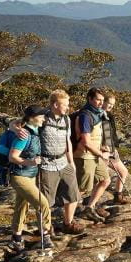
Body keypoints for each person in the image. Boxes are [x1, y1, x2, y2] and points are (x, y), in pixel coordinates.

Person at [11, 90, 85, 235]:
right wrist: (15, 129)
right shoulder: (42, 118)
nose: (68, 108)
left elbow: (67, 141)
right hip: (46, 164)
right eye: (65, 105)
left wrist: (71, 162)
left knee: (73, 194)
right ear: (56, 104)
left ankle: (68, 223)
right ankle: (46, 228)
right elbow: (15, 122)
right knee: (46, 200)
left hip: (64, 161)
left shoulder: (66, 120)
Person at [6, 105, 55, 250]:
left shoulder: (35, 130)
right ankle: (45, 235)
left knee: (22, 205)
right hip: (20, 176)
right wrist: (31, 162)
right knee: (43, 204)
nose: (43, 119)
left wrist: (13, 125)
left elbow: (14, 122)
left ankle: (16, 238)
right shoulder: (24, 135)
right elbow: (12, 157)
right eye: (41, 116)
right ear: (32, 118)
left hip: (30, 175)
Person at [73, 87, 111, 222]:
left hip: (95, 154)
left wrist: (101, 147)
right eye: (98, 100)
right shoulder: (85, 116)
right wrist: (102, 154)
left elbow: (94, 138)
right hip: (84, 156)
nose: (101, 103)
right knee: (82, 188)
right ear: (89, 99)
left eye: (102, 100)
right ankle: (70, 215)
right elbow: (86, 142)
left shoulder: (98, 114)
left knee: (105, 180)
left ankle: (89, 208)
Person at [101, 93, 130, 204]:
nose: (111, 106)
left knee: (123, 172)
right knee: (101, 180)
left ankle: (118, 196)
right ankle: (91, 204)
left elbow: (110, 134)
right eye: (109, 103)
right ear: (103, 102)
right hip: (102, 151)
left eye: (112, 104)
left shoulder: (109, 115)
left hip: (111, 149)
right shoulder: (97, 116)